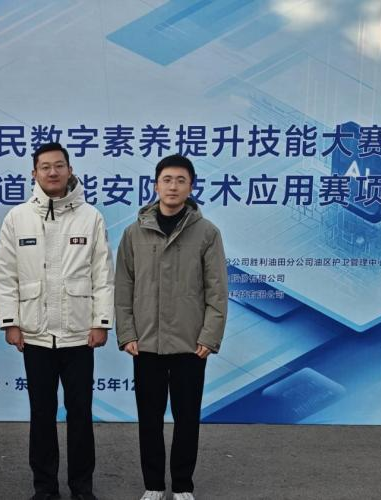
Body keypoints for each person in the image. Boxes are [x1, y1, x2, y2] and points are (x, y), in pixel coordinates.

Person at [0, 142, 114, 500]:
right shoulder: (17, 218)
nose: (52, 172)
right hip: (36, 335)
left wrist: (101, 321)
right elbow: (5, 275)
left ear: (70, 170)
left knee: (81, 415)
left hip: (79, 335)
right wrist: (11, 322)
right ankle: (44, 488)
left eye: (59, 165)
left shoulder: (90, 217)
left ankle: (82, 488)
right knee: (41, 415)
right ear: (34, 173)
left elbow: (103, 274)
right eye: (45, 166)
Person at [114, 154, 228, 500]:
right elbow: (123, 287)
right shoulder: (134, 233)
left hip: (190, 344)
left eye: (181, 180)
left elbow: (217, 290)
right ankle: (153, 484)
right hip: (146, 342)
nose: (173, 186)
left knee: (187, 418)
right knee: (149, 418)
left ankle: (182, 485)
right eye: (167, 179)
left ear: (191, 187)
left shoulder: (207, 233)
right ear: (156, 185)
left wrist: (209, 336)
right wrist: (127, 333)